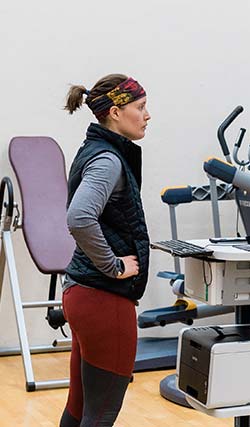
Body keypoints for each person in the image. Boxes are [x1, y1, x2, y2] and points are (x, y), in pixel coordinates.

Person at [60, 74, 151, 426]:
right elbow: (80, 217)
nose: (147, 115)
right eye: (140, 107)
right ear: (115, 112)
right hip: (104, 299)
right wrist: (113, 266)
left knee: (80, 409)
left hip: (84, 293)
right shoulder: (108, 160)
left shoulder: (96, 150)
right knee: (99, 416)